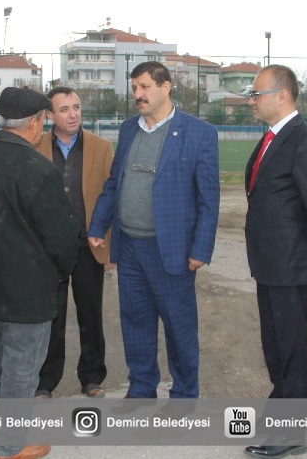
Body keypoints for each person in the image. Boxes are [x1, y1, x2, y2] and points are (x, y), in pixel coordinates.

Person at [0, 87, 80, 459]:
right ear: (34, 122)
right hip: (28, 288)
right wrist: (60, 270)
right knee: (22, 365)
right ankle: (10, 445)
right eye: (44, 121)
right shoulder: (38, 169)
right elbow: (61, 237)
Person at [87, 61, 220, 400]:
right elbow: (114, 182)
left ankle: (185, 394)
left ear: (166, 87)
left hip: (170, 248)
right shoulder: (129, 129)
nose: (138, 94)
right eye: (134, 88)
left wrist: (200, 249)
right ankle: (141, 387)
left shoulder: (198, 133)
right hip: (129, 246)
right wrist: (99, 224)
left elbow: (208, 198)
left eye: (145, 87)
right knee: (135, 321)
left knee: (179, 325)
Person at [243, 65, 307, 459]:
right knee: (276, 347)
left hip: (290, 264)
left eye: (257, 93)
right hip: (269, 263)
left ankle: (291, 433)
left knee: (290, 349)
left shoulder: (306, 140)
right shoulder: (272, 137)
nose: (252, 100)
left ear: (281, 96)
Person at [33, 87, 114, 400]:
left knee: (90, 315)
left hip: (87, 246)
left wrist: (110, 248)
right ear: (50, 115)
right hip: (47, 250)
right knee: (50, 317)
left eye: (76, 107)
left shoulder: (101, 147)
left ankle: (92, 377)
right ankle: (45, 382)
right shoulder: (34, 146)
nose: (73, 114)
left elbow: (110, 197)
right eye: (64, 109)